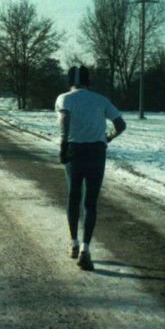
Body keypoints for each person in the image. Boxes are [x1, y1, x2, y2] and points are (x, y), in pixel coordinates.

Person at [55, 65, 126, 271]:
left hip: (74, 151)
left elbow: (64, 119)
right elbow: (121, 125)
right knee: (91, 202)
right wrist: (108, 137)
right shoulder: (101, 99)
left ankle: (74, 244)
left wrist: (63, 144)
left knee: (73, 196)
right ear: (88, 81)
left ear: (70, 81)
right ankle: (86, 249)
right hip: (97, 152)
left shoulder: (64, 98)